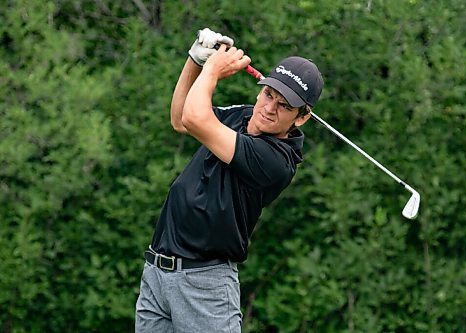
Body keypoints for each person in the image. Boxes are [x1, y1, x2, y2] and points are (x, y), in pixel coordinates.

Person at [135, 27, 324, 333]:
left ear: (301, 117)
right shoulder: (243, 115)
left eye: (284, 106)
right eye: (268, 94)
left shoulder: (275, 159)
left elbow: (198, 119)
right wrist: (195, 60)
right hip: (157, 273)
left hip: (204, 285)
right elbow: (182, 117)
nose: (268, 108)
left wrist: (211, 69)